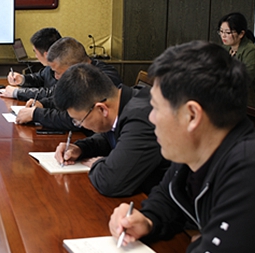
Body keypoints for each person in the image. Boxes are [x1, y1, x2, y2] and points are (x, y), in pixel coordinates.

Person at [109, 41, 255, 253]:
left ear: (192, 116)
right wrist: (148, 220)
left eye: (156, 108)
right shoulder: (198, 152)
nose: (150, 118)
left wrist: (200, 242)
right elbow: (167, 197)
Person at [54, 63, 169, 197]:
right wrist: (81, 148)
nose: (80, 125)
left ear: (102, 109)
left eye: (79, 120)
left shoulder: (142, 117)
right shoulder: (122, 101)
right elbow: (109, 136)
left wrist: (99, 163)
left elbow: (110, 182)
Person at [14, 37, 121, 131]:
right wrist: (43, 104)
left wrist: (36, 114)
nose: (56, 77)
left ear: (76, 67)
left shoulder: (102, 79)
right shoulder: (82, 74)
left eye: (58, 72)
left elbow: (78, 119)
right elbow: (69, 97)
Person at [217, 12, 255, 106]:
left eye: (228, 32)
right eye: (221, 31)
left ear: (241, 34)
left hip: (250, 95)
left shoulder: (251, 50)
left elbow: (244, 79)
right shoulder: (226, 47)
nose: (223, 36)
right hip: (228, 90)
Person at [0, 27, 61, 101]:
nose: (36, 56)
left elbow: (50, 94)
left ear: (46, 55)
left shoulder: (67, 71)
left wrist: (17, 92)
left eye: (35, 52)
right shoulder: (51, 66)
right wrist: (22, 79)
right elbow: (39, 78)